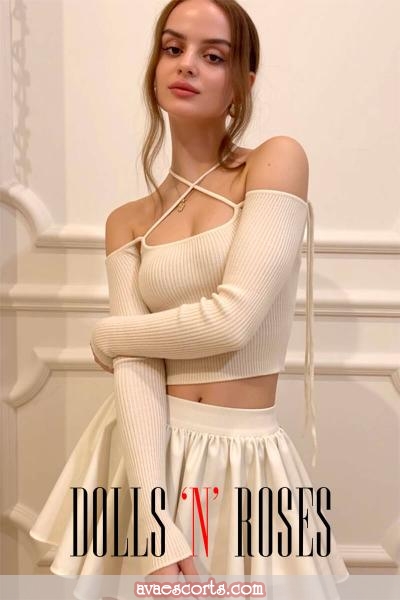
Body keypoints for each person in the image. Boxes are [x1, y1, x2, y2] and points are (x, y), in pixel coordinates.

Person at [30, 0, 349, 597]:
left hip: (245, 460)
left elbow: (233, 320)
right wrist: (154, 525)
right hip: (143, 455)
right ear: (154, 67)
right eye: (173, 48)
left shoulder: (275, 162)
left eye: (213, 56)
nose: (187, 65)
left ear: (242, 81)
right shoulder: (128, 221)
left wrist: (107, 334)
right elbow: (137, 372)